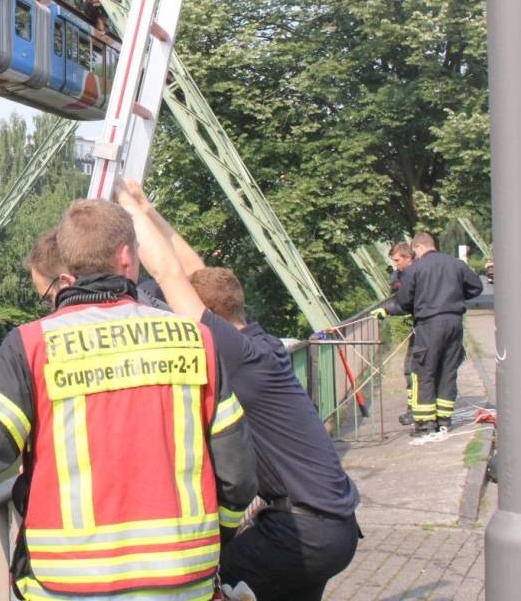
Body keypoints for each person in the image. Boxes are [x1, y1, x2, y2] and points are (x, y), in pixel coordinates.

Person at [0, 198, 257, 601]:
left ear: (68, 265)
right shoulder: (196, 340)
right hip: (182, 581)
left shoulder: (32, 346)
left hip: (70, 586)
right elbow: (238, 473)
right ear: (126, 257)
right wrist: (218, 534)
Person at [115, 180, 361, 600]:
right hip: (331, 525)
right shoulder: (256, 343)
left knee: (198, 583)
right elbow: (194, 273)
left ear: (206, 314)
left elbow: (170, 274)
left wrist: (122, 211)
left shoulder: (234, 353)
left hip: (302, 531)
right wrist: (149, 210)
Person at [394, 232, 484, 436]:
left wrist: (417, 306)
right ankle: (444, 419)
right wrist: (456, 296)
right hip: (454, 322)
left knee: (424, 371)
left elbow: (404, 301)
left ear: (417, 248)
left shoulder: (415, 268)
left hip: (429, 324)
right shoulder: (456, 264)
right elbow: (476, 287)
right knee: (448, 369)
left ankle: (425, 425)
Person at [373, 242, 416, 425]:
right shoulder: (402, 274)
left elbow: (407, 300)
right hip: (424, 326)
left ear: (409, 257)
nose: (396, 265)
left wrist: (388, 310)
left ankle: (416, 412)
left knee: (412, 368)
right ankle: (419, 411)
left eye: (398, 260)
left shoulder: (415, 275)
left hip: (425, 328)